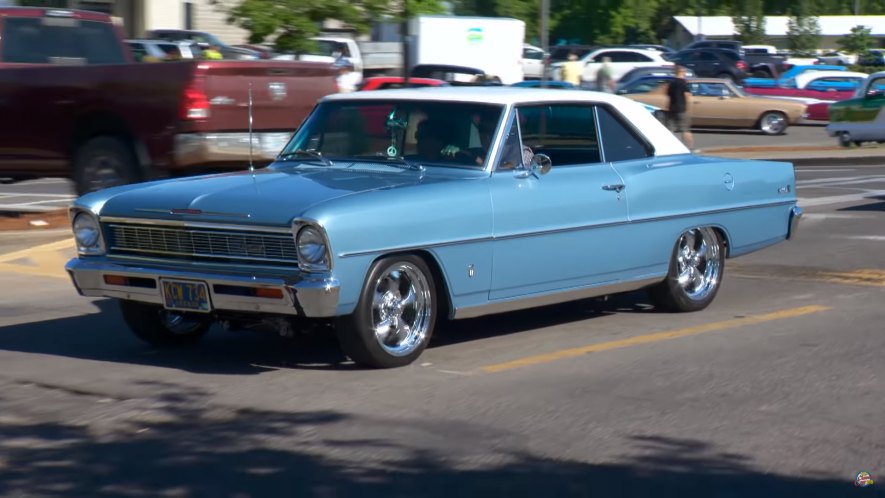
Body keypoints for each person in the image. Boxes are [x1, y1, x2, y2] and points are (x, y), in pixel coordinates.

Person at [665, 65, 694, 150]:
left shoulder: (672, 83)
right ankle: (689, 147)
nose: (685, 74)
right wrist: (689, 107)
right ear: (681, 72)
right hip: (681, 109)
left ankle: (670, 147)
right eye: (684, 72)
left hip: (671, 108)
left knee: (669, 129)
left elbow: (668, 95)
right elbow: (687, 95)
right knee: (685, 130)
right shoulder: (683, 83)